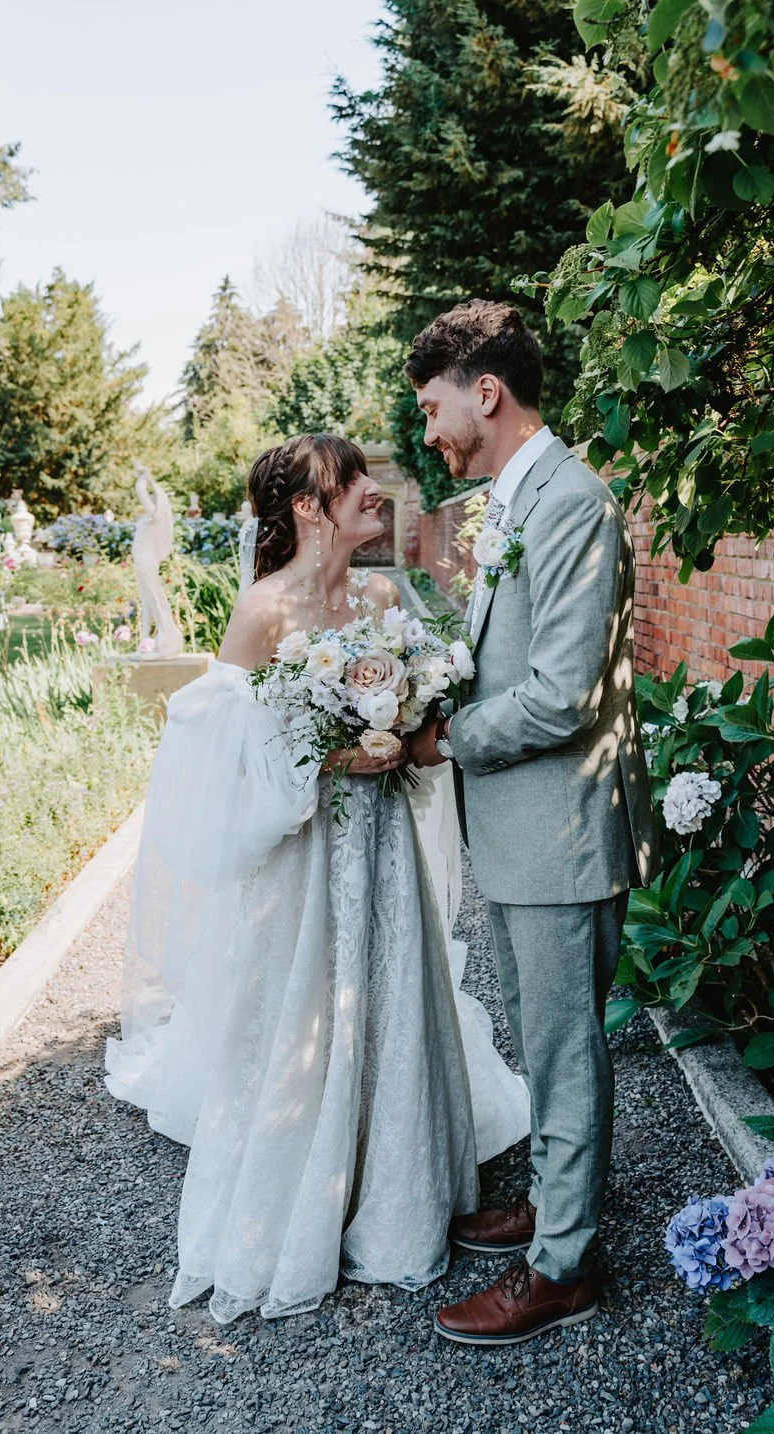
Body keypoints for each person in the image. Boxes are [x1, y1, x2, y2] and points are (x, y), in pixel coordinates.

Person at [105, 433, 528, 1325]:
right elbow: (225, 750)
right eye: (356, 483)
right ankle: (317, 1182)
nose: (375, 493)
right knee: (314, 1010)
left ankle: (401, 1177)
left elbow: (422, 703)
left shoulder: (382, 592)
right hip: (306, 853)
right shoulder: (263, 612)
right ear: (309, 507)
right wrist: (336, 757)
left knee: (396, 995)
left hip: (386, 848)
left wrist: (411, 717)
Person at [405, 300, 659, 1346]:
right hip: (518, 829)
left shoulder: (569, 503)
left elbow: (562, 693)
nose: (427, 433)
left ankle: (563, 1268)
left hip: (556, 829)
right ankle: (559, 1205)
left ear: (487, 393)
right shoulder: (514, 500)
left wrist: (442, 739)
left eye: (432, 408)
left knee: (560, 1051)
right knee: (540, 1032)